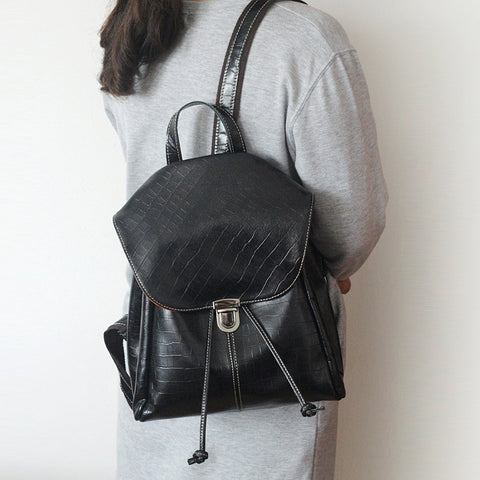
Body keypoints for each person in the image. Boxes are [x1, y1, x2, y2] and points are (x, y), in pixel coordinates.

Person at [98, 0, 389, 478]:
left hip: (160, 348)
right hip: (278, 364)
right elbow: (353, 220)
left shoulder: (134, 31)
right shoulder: (302, 37)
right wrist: (334, 268)